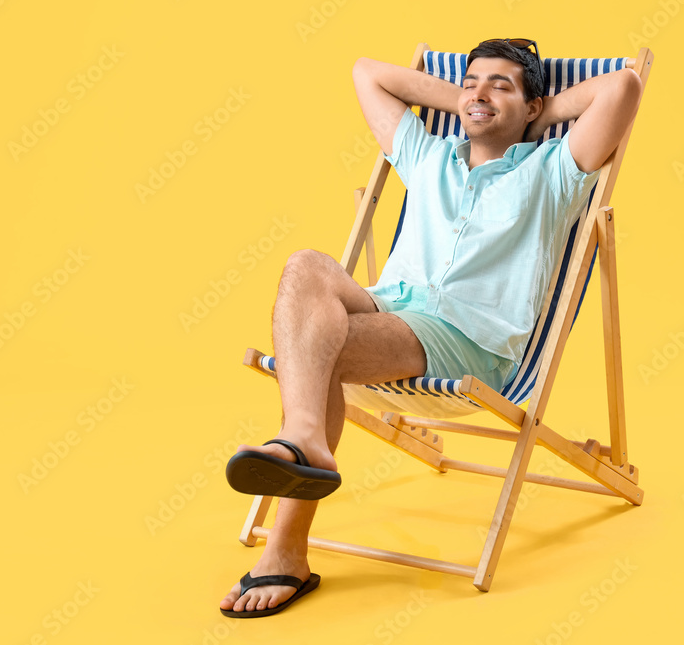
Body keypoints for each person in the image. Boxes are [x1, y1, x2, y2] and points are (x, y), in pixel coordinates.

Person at [219, 38, 642, 617]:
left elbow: (623, 86)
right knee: (304, 267)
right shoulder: (429, 156)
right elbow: (366, 72)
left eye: (502, 84)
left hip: (467, 339)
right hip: (388, 306)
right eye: (471, 82)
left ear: (535, 107)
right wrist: (475, 100)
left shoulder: (553, 170)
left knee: (319, 351)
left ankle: (287, 541)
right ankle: (305, 437)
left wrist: (533, 111)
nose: (479, 92)